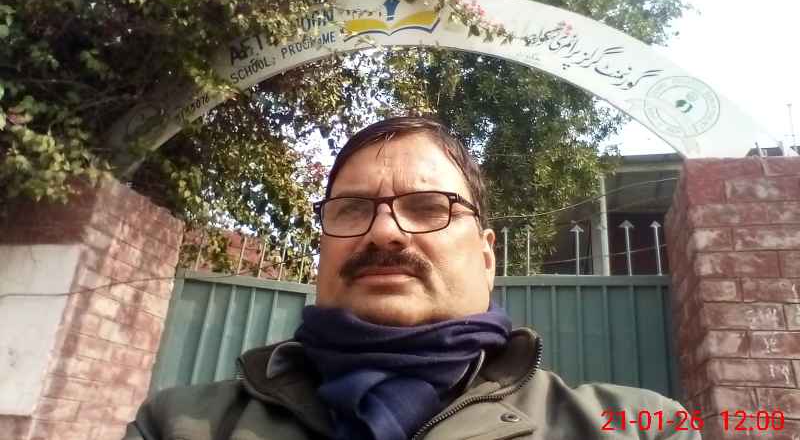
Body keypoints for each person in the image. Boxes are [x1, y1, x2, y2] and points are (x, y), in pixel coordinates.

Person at [124, 117, 699, 440]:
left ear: (487, 257)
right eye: (352, 208)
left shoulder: (642, 430)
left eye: (428, 207)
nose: (384, 232)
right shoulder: (179, 427)